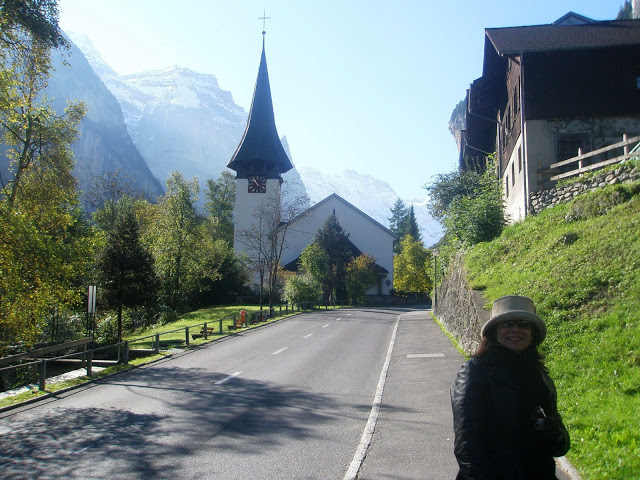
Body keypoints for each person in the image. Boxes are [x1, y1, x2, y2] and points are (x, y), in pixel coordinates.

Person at [450, 295, 570, 479]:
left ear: (532, 334)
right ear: (494, 332)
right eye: (507, 324)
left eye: (523, 324)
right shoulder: (475, 372)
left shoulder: (539, 376)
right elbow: (467, 449)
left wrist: (555, 434)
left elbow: (560, 446)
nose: (516, 329)